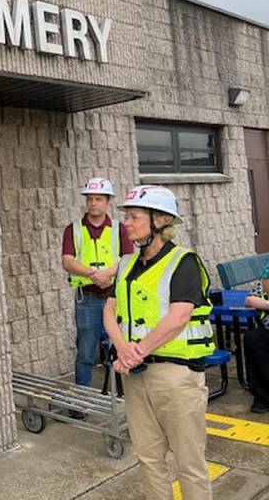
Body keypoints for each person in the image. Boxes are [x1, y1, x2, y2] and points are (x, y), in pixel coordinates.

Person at [103, 185, 215, 500]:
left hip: (175, 377)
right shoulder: (125, 264)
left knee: (189, 463)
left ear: (161, 220)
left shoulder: (184, 262)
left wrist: (134, 352)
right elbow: (109, 311)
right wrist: (123, 348)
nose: (126, 223)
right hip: (136, 375)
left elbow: (179, 316)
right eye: (126, 216)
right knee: (148, 459)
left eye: (134, 217)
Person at [62, 177, 132, 389]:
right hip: (87, 299)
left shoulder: (120, 229)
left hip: (116, 298)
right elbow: (67, 261)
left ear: (108, 201)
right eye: (90, 199)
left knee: (121, 346)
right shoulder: (73, 229)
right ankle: (83, 396)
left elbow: (129, 260)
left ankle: (123, 393)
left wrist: (107, 274)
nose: (93, 203)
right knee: (85, 351)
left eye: (98, 199)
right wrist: (95, 275)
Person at [244, 261, 269, 413]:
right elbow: (249, 300)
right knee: (252, 339)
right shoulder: (262, 286)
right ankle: (262, 397)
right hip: (266, 332)